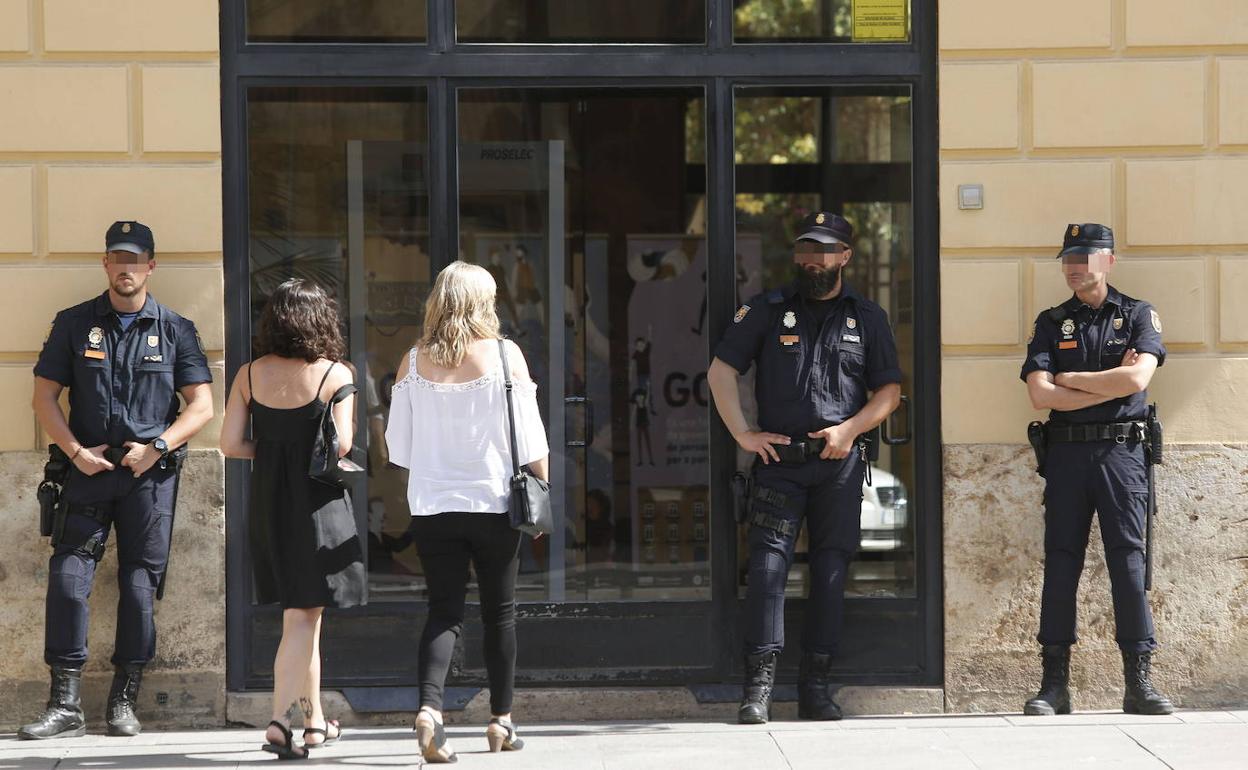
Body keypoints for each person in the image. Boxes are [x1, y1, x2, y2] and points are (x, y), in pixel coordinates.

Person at [22, 221, 214, 740]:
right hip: (87, 473)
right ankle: (64, 704)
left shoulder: (176, 328)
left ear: (151, 266)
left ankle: (123, 700)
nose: (125, 268)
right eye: (116, 258)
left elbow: (202, 405)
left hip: (147, 480)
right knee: (67, 580)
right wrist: (76, 452)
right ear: (105, 264)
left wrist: (158, 448)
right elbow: (44, 398)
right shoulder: (73, 323)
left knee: (137, 587)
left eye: (135, 260)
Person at [707, 212, 901, 724]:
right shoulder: (767, 310)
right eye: (806, 250)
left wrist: (851, 430)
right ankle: (759, 689)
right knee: (768, 574)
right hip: (779, 465)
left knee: (831, 575)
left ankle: (817, 686)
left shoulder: (869, 317)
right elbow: (721, 370)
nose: (814, 260)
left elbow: (889, 392)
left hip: (838, 467)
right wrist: (743, 434)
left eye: (825, 250)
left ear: (845, 257)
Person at [385, 261, 549, 762]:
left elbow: (398, 447)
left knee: (443, 611)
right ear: (486, 302)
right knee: (500, 614)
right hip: (495, 502)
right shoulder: (505, 355)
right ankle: (501, 722)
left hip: (434, 504)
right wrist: (542, 488)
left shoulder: (412, 362)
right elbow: (531, 436)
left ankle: (430, 711)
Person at [1020, 223, 1173, 716]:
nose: (1074, 266)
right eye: (1068, 257)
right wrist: (1110, 384)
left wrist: (1073, 379)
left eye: (1084, 257)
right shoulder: (1051, 321)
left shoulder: (1136, 315)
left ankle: (1139, 682)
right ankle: (1054, 685)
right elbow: (1040, 395)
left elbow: (1138, 378)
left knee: (1128, 564)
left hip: (1122, 456)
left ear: (1108, 261)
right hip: (1066, 456)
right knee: (1061, 562)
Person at [220, 278, 366, 758]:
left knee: (305, 616)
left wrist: (275, 452)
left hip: (269, 505)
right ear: (322, 318)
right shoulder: (335, 375)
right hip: (317, 508)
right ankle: (280, 720)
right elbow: (342, 445)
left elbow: (230, 444)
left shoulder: (249, 374)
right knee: (302, 619)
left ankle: (315, 723)